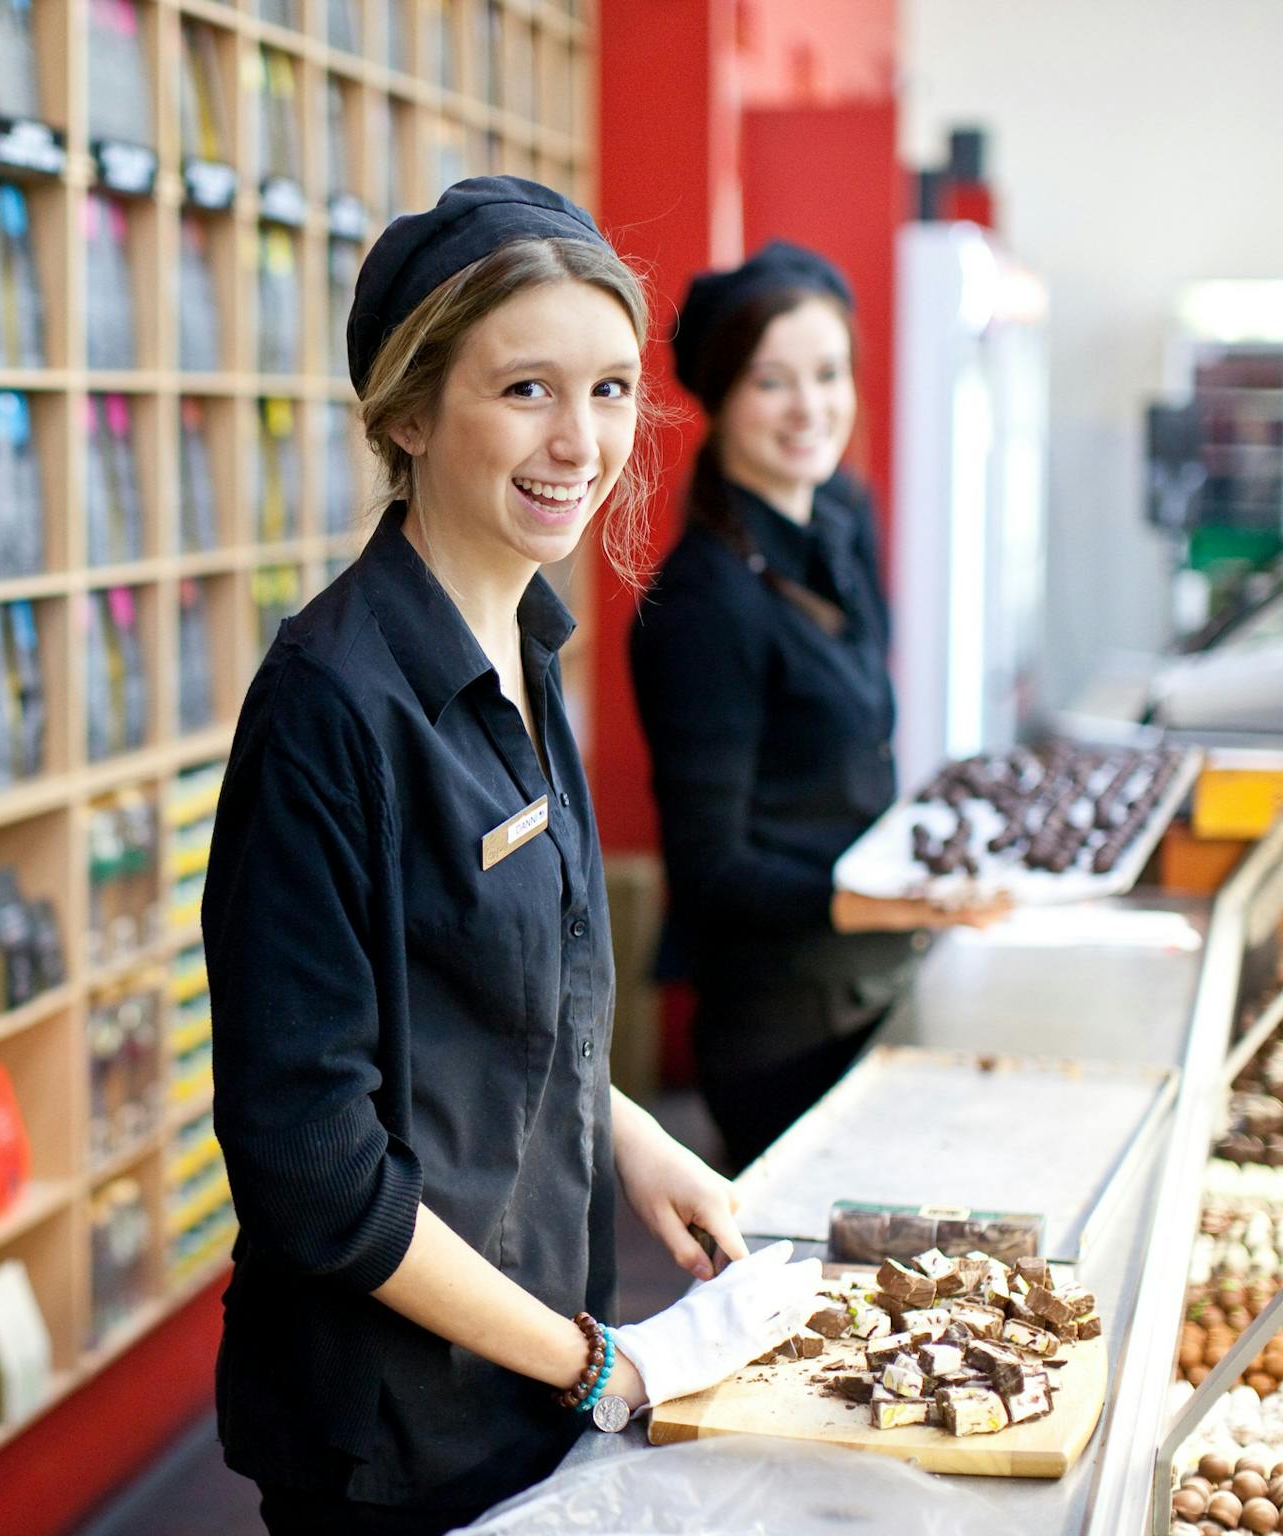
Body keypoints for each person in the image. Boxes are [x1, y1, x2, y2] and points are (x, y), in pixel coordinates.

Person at [202, 179, 824, 1536]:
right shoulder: (329, 703)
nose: (581, 440)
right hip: (392, 1429)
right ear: (409, 415)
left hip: (529, 1372)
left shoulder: (531, 644)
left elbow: (498, 1013)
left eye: (609, 390)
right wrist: (596, 1362)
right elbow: (310, 1159)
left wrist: (637, 1139)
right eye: (528, 389)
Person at [629, 243, 1003, 1172]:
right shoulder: (703, 604)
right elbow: (712, 872)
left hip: (880, 978)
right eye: (772, 382)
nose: (811, 408)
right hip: (782, 1028)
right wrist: (898, 898)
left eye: (829, 374)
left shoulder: (841, 520)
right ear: (720, 397)